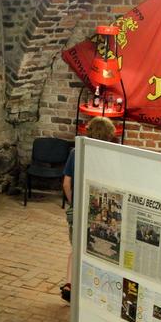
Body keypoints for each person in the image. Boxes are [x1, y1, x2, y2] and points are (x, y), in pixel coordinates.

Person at [60, 116, 116, 302]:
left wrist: (73, 202)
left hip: (78, 208)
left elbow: (66, 183)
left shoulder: (76, 152)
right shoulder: (113, 155)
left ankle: (69, 284)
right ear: (109, 135)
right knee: (98, 250)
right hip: (100, 212)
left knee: (76, 248)